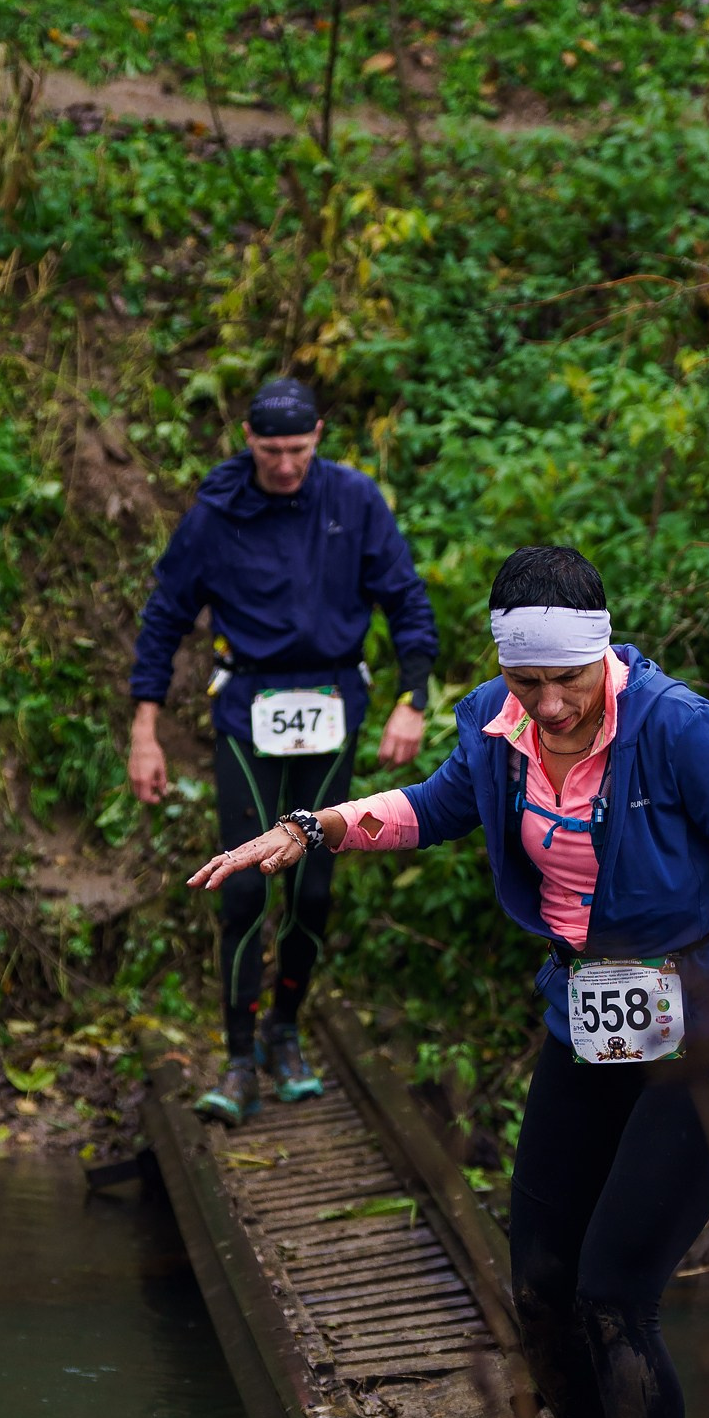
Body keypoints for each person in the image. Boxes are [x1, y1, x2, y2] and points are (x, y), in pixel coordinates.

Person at [188, 543, 709, 1418]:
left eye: (568, 683)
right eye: (528, 684)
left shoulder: (676, 730)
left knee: (612, 1293)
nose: (548, 706)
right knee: (539, 1277)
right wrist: (309, 828)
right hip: (591, 1014)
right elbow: (433, 806)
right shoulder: (492, 725)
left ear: (604, 656)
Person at [128, 376, 438, 1121]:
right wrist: (144, 730)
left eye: (299, 450)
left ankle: (285, 1033)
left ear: (321, 435)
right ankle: (237, 1061)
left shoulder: (353, 500)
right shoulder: (217, 511)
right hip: (247, 708)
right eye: (272, 451)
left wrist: (415, 698)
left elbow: (405, 598)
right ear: (248, 439)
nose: (286, 465)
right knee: (242, 884)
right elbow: (166, 614)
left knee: (314, 889)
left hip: (333, 704)